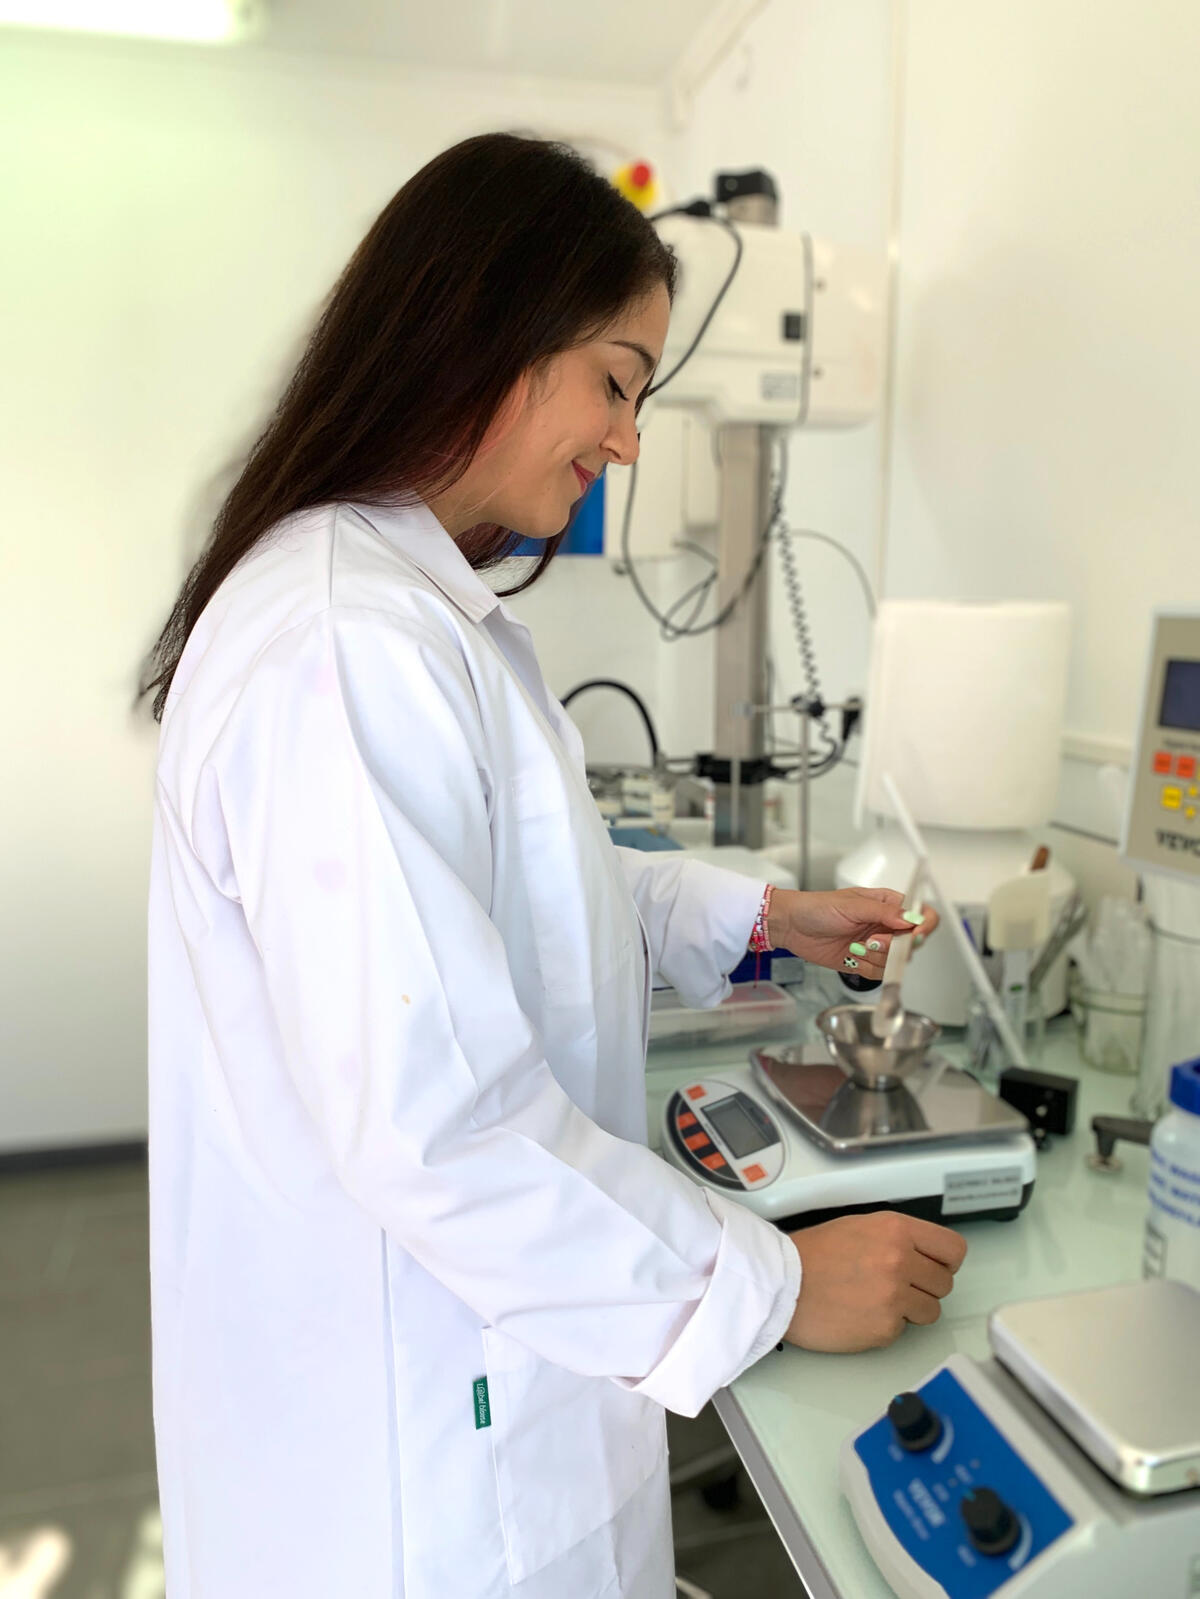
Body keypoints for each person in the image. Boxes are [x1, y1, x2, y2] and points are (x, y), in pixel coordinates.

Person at [141, 133, 966, 1599]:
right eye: (617, 382)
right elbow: (441, 1131)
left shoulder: (399, 612)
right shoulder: (348, 644)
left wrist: (769, 916)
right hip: (420, 1484)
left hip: (463, 1402)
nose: (627, 443)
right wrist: (773, 1286)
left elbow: (532, 887)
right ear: (489, 333)